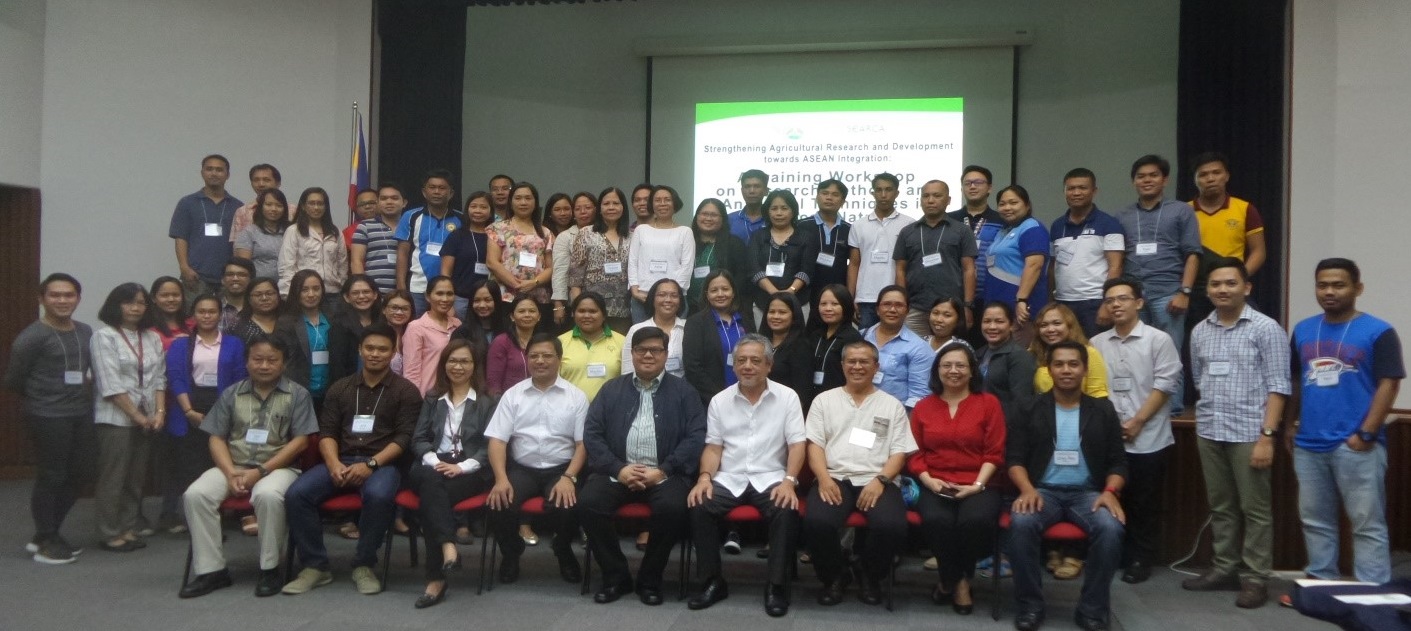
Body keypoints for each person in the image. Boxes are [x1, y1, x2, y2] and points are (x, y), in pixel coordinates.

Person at [282, 324, 423, 596]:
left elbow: (404, 439)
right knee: (297, 494)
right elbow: (327, 432)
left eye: (383, 349)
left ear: (394, 352)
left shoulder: (405, 391)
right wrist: (334, 463)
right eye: (369, 348)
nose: (375, 354)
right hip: (341, 459)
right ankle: (315, 565)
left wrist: (370, 465)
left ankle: (364, 564)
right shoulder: (341, 388)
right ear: (360, 350)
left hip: (382, 464)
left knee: (380, 496)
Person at [1287, 258, 1403, 587]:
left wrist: (1366, 433)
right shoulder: (1304, 329)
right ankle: (1322, 583)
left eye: (1339, 285)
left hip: (1356, 445)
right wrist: (1289, 424)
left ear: (1357, 288)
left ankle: (1373, 591)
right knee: (1315, 520)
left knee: (1367, 524)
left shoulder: (1378, 331)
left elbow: (1389, 383)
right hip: (1309, 445)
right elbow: (1296, 381)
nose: (1329, 292)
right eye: (1322, 285)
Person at [1183, 258, 1289, 608]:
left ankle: (1256, 577)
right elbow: (1200, 381)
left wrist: (1267, 435)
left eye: (1230, 283)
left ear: (1247, 287)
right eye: (1215, 284)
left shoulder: (1265, 328)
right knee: (1221, 505)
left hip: (1250, 433)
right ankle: (1224, 568)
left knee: (1255, 509)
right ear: (1208, 290)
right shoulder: (1200, 330)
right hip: (1211, 429)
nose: (1222, 290)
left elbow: (1278, 386)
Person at [178, 335, 315, 599]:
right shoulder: (232, 393)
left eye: (272, 360)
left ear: (283, 363)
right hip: (233, 464)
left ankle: (270, 568)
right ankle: (212, 571)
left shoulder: (298, 394)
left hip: (278, 468)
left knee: (267, 495)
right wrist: (230, 472)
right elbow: (216, 437)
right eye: (257, 359)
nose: (264, 365)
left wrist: (260, 472)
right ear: (247, 362)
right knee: (196, 494)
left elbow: (300, 442)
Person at [578, 326, 707, 605]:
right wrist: (618, 469)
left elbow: (696, 437)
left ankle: (650, 579)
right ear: (633, 354)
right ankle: (616, 576)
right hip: (617, 472)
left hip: (665, 473)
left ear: (666, 354)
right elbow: (592, 434)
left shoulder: (685, 392)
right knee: (588, 501)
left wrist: (663, 470)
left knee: (673, 508)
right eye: (641, 350)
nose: (648, 355)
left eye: (656, 350)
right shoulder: (611, 389)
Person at [1007, 341, 1127, 631]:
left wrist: (1111, 493)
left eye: (1073, 364)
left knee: (1111, 528)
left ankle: (1092, 609)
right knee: (1021, 523)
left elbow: (1118, 463)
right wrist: (1026, 489)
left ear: (1085, 369)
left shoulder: (1103, 410)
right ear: (1049, 369)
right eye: (1059, 364)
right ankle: (1030, 605)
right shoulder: (1029, 407)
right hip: (1042, 492)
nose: (1066, 370)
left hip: (1088, 494)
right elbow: (1014, 458)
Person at [686, 334, 805, 617]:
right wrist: (704, 478)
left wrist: (790, 481)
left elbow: (797, 444)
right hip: (730, 476)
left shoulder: (787, 398)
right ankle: (712, 582)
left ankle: (776, 585)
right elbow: (714, 447)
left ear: (768, 365)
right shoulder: (719, 400)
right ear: (734, 365)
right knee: (699, 504)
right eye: (741, 361)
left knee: (786, 508)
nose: (747, 366)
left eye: (755, 360)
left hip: (771, 475)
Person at [802, 341, 917, 607]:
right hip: (835, 477)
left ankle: (869, 574)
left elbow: (900, 452)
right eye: (851, 361)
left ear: (876, 367)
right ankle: (835, 575)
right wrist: (824, 478)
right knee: (817, 522)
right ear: (842, 366)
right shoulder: (824, 400)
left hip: (878, 478)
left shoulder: (891, 405)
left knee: (892, 525)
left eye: (864, 361)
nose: (857, 366)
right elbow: (814, 446)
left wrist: (881, 481)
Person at [1089, 277, 1179, 585]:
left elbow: (1166, 384)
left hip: (1149, 436)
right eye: (1110, 300)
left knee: (1145, 501)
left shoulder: (1158, 340)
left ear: (1139, 303)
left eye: (1122, 298)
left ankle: (1141, 558)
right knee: (1114, 499)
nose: (1115, 304)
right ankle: (1116, 554)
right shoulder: (1097, 343)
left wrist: (1138, 420)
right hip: (1111, 438)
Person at [908, 342, 1005, 615]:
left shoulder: (989, 403)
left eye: (961, 365)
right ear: (937, 370)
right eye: (947, 365)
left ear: (972, 371)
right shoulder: (924, 406)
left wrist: (976, 486)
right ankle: (959, 582)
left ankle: (948, 581)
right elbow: (914, 452)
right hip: (934, 481)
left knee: (973, 520)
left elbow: (995, 451)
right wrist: (928, 481)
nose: (953, 371)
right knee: (937, 519)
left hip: (980, 482)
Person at [485, 334, 590, 587]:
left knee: (569, 505)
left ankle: (562, 549)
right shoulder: (513, 395)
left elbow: (583, 444)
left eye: (546, 356)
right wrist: (500, 479)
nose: (540, 361)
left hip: (562, 468)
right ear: (526, 359)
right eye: (534, 356)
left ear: (559, 360)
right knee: (498, 503)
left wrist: (569, 477)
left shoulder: (576, 397)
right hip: (523, 468)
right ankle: (511, 553)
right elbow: (497, 440)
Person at [5, 274, 94, 564]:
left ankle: (47, 532)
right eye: (55, 295)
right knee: (52, 476)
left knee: (79, 474)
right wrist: (43, 399)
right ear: (42, 299)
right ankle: (46, 539)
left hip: (80, 412)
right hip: (47, 415)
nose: (63, 300)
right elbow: (14, 380)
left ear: (78, 299)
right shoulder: (31, 337)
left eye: (69, 295)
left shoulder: (84, 331)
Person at [406, 339, 496, 608]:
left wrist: (460, 467)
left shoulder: (486, 402)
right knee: (433, 484)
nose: (458, 366)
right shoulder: (433, 398)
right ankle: (448, 545)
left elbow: (487, 446)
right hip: (431, 466)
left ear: (475, 366)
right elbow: (418, 438)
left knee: (435, 500)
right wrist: (435, 461)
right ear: (444, 364)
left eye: (465, 361)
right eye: (453, 360)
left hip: (468, 470)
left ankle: (436, 579)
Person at [1116, 155, 1202, 413]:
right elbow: (1117, 258)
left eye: (1153, 175)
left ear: (1164, 179)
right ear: (1134, 182)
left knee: (1169, 353)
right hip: (1133, 296)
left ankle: (1172, 410)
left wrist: (1185, 291)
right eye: (1141, 176)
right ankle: (1137, 408)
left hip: (1168, 294)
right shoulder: (1122, 216)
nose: (1147, 180)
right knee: (1133, 353)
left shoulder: (1181, 211)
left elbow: (1193, 254)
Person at [163, 295, 249, 534]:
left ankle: (219, 517)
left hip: (223, 405)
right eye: (202, 311)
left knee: (218, 462)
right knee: (190, 464)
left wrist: (228, 412)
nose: (207, 316)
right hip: (189, 408)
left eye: (212, 311)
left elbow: (240, 378)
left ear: (219, 314)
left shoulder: (233, 343)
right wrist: (189, 410)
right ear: (193, 315)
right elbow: (176, 377)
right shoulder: (180, 344)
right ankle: (193, 520)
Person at [91, 283, 166, 552]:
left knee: (136, 477)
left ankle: (128, 526)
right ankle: (110, 532)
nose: (136, 307)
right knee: (114, 477)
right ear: (116, 305)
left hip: (146, 418)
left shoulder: (152, 337)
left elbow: (159, 377)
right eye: (129, 302)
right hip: (116, 418)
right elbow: (110, 384)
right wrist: (137, 416)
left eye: (141, 302)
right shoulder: (104, 336)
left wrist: (158, 413)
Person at [895, 179, 977, 338]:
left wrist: (967, 306)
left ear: (948, 200)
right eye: (926, 196)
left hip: (951, 308)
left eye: (937, 195)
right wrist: (902, 303)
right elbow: (900, 269)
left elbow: (969, 269)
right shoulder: (907, 232)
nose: (930, 200)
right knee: (912, 353)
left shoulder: (962, 231)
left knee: (949, 354)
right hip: (915, 307)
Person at [1049, 168, 1125, 337]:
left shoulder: (1109, 224)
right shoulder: (1057, 226)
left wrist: (1108, 303)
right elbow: (1053, 266)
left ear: (1094, 191)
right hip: (1063, 302)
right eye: (1071, 188)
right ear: (1065, 191)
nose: (1076, 193)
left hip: (1095, 303)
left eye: (1082, 188)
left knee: (1095, 354)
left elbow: (1116, 267)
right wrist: (1051, 301)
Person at [274, 270, 358, 408]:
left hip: (331, 393)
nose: (311, 294)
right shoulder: (286, 323)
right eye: (304, 290)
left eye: (316, 289)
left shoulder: (335, 319)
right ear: (296, 292)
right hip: (298, 394)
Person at [848, 173, 915, 328]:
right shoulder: (858, 225)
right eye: (879, 190)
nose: (883, 195)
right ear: (873, 193)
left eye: (888, 190)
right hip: (866, 298)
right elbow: (854, 264)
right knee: (867, 346)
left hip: (896, 298)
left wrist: (906, 297)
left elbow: (910, 265)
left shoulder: (909, 224)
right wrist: (851, 297)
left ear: (897, 193)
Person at [170, 154, 242, 296]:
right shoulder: (187, 203)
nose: (214, 173)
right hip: (196, 276)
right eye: (209, 169)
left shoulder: (238, 207)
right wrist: (184, 268)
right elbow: (181, 238)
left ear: (227, 175)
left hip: (228, 277)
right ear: (202, 172)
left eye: (219, 170)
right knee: (194, 317)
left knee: (227, 317)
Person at [396, 170, 466, 314]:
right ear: (424, 192)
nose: (436, 191)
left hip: (449, 291)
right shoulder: (411, 216)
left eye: (442, 188)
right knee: (414, 329)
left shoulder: (462, 219)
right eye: (432, 187)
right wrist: (401, 287)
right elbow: (402, 253)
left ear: (451, 193)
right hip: (417, 287)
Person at [950, 165, 1005, 347]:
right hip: (954, 297)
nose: (972, 187)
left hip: (988, 295)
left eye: (978, 182)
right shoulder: (949, 220)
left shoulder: (1002, 220)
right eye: (968, 183)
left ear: (989, 188)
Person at [683, 271, 755, 407]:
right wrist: (720, 397)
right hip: (711, 400)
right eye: (714, 290)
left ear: (733, 292)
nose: (720, 294)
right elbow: (693, 367)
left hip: (748, 397)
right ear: (707, 295)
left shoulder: (745, 320)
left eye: (725, 289)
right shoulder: (696, 323)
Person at [486, 182, 554, 324]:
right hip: (506, 296)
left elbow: (550, 268)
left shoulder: (546, 232)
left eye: (528, 198)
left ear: (535, 202)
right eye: (518, 198)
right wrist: (517, 285)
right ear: (510, 202)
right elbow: (492, 262)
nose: (523, 202)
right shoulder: (498, 228)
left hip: (538, 297)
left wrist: (533, 283)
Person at [986, 185, 1050, 333]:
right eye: (1002, 204)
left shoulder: (1032, 228)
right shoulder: (1004, 230)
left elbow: (1034, 265)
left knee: (1020, 352)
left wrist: (1021, 300)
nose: (1007, 207)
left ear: (1027, 206)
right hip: (1000, 306)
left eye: (1013, 203)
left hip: (1021, 308)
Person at [748, 189, 819, 319]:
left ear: (793, 211)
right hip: (763, 303)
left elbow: (807, 270)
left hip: (798, 302)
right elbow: (754, 268)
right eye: (774, 208)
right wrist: (774, 292)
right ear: (767, 211)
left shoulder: (806, 237)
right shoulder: (758, 236)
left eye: (784, 208)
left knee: (797, 339)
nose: (779, 213)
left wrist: (790, 292)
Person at [628, 185, 695, 323]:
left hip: (672, 300)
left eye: (667, 200)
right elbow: (633, 261)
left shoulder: (685, 232)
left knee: (672, 341)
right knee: (643, 342)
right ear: (651, 204)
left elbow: (687, 266)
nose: (662, 204)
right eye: (657, 200)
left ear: (675, 203)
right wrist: (634, 289)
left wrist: (671, 294)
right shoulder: (641, 230)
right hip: (642, 297)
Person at [570, 187, 631, 332]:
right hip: (591, 310)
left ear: (623, 207)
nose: (611, 207)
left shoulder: (632, 236)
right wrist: (578, 308)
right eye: (606, 203)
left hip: (623, 309)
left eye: (616, 203)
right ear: (599, 208)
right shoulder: (586, 233)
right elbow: (575, 278)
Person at [862, 285, 932, 409]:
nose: (892, 309)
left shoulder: (919, 347)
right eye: (887, 304)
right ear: (877, 309)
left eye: (899, 305)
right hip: (858, 411)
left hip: (894, 416)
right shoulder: (861, 337)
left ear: (907, 310)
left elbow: (919, 395)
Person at [278, 187, 349, 304]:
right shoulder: (294, 231)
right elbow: (286, 265)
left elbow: (342, 263)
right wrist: (288, 295)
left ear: (326, 207)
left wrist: (342, 285)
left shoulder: (335, 231)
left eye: (320, 204)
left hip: (332, 294)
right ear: (303, 206)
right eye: (311, 203)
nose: (316, 207)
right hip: (305, 293)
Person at [1030, 303, 1109, 397]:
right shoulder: (1032, 354)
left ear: (1070, 326)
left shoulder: (1089, 353)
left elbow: (1098, 393)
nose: (1050, 329)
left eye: (1057, 323)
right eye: (1044, 325)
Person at [557, 292, 624, 401]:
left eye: (593, 311)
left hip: (609, 412)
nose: (587, 316)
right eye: (581, 311)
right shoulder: (559, 342)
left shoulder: (622, 342)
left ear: (604, 315)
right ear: (573, 314)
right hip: (570, 411)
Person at [977, 301, 1038, 421]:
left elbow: (1021, 403)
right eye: (987, 321)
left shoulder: (1020, 357)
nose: (992, 327)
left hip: (1005, 427)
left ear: (1011, 325)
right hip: (979, 424)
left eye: (999, 321)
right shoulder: (978, 354)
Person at [402, 276, 463, 395]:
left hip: (453, 396)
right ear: (427, 296)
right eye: (439, 293)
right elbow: (411, 371)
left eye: (449, 294)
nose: (445, 299)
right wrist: (414, 400)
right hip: (426, 397)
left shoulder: (458, 325)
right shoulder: (416, 327)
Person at [688, 198, 751, 309]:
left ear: (723, 219)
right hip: (689, 306)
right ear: (697, 216)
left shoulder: (734, 243)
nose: (708, 218)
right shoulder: (686, 241)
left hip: (725, 306)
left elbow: (741, 277)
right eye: (704, 214)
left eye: (714, 215)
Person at [440, 191, 494, 319]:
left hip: (488, 300)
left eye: (483, 207)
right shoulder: (456, 235)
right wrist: (449, 304)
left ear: (491, 211)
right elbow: (445, 273)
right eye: (473, 206)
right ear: (467, 209)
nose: (478, 211)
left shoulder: (496, 236)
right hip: (460, 298)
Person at [620, 279, 686, 378]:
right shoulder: (636, 330)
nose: (668, 300)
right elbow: (627, 372)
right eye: (662, 295)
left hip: (682, 390)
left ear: (680, 301)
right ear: (652, 299)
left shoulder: (690, 328)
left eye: (674, 295)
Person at [552, 191, 599, 328]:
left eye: (588, 208)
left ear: (596, 209)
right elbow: (560, 272)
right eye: (578, 209)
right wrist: (558, 304)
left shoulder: (606, 232)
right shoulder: (565, 236)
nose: (583, 212)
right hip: (576, 300)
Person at [802, 179, 851, 309]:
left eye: (835, 195)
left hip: (838, 294)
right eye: (825, 193)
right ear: (817, 197)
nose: (829, 198)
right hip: (805, 293)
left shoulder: (850, 229)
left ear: (842, 201)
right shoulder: (801, 226)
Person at [760, 292, 815, 410]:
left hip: (785, 412)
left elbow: (802, 393)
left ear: (794, 316)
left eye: (782, 312)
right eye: (772, 312)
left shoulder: (801, 346)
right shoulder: (760, 343)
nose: (775, 316)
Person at [351, 182, 408, 295]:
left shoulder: (412, 226)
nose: (389, 202)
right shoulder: (365, 226)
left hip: (406, 293)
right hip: (374, 293)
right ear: (377, 203)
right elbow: (356, 261)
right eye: (384, 198)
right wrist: (364, 290)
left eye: (394, 198)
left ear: (404, 203)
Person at [486, 295, 541, 397]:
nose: (527, 315)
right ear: (512, 316)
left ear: (539, 316)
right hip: (509, 404)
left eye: (532, 311)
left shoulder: (543, 343)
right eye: (521, 311)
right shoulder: (501, 342)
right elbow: (493, 382)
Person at [234, 189, 290, 281]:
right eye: (268, 205)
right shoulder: (249, 232)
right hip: (258, 286)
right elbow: (244, 267)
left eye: (279, 205)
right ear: (260, 207)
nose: (274, 209)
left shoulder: (290, 231)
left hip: (286, 285)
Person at [228, 163, 288, 244]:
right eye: (256, 180)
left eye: (266, 180)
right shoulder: (242, 212)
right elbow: (237, 245)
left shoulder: (292, 210)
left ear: (278, 183)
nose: (261, 184)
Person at [229, 277, 281, 346]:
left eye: (269, 293)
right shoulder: (237, 327)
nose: (264, 298)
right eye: (258, 295)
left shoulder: (290, 322)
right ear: (249, 299)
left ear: (278, 295)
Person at [333, 275, 384, 340]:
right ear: (346, 297)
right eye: (355, 293)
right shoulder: (339, 325)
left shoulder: (384, 321)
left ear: (375, 295)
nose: (361, 296)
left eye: (366, 292)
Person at [727, 169, 769, 243]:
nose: (752, 191)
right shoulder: (729, 219)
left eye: (757, 186)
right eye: (747, 186)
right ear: (742, 191)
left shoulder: (774, 219)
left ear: (766, 191)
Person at [150, 276, 190, 350]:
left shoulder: (193, 325)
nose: (171, 299)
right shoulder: (146, 329)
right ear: (153, 298)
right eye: (164, 295)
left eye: (176, 295)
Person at [382, 290, 416, 376]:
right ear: (384, 310)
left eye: (405, 309)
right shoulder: (375, 335)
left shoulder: (415, 335)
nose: (399, 312)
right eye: (394, 308)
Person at [218, 258, 254, 333]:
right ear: (222, 280)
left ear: (251, 280)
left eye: (242, 275)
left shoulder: (259, 307)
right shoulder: (213, 307)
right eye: (230, 274)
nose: (235, 278)